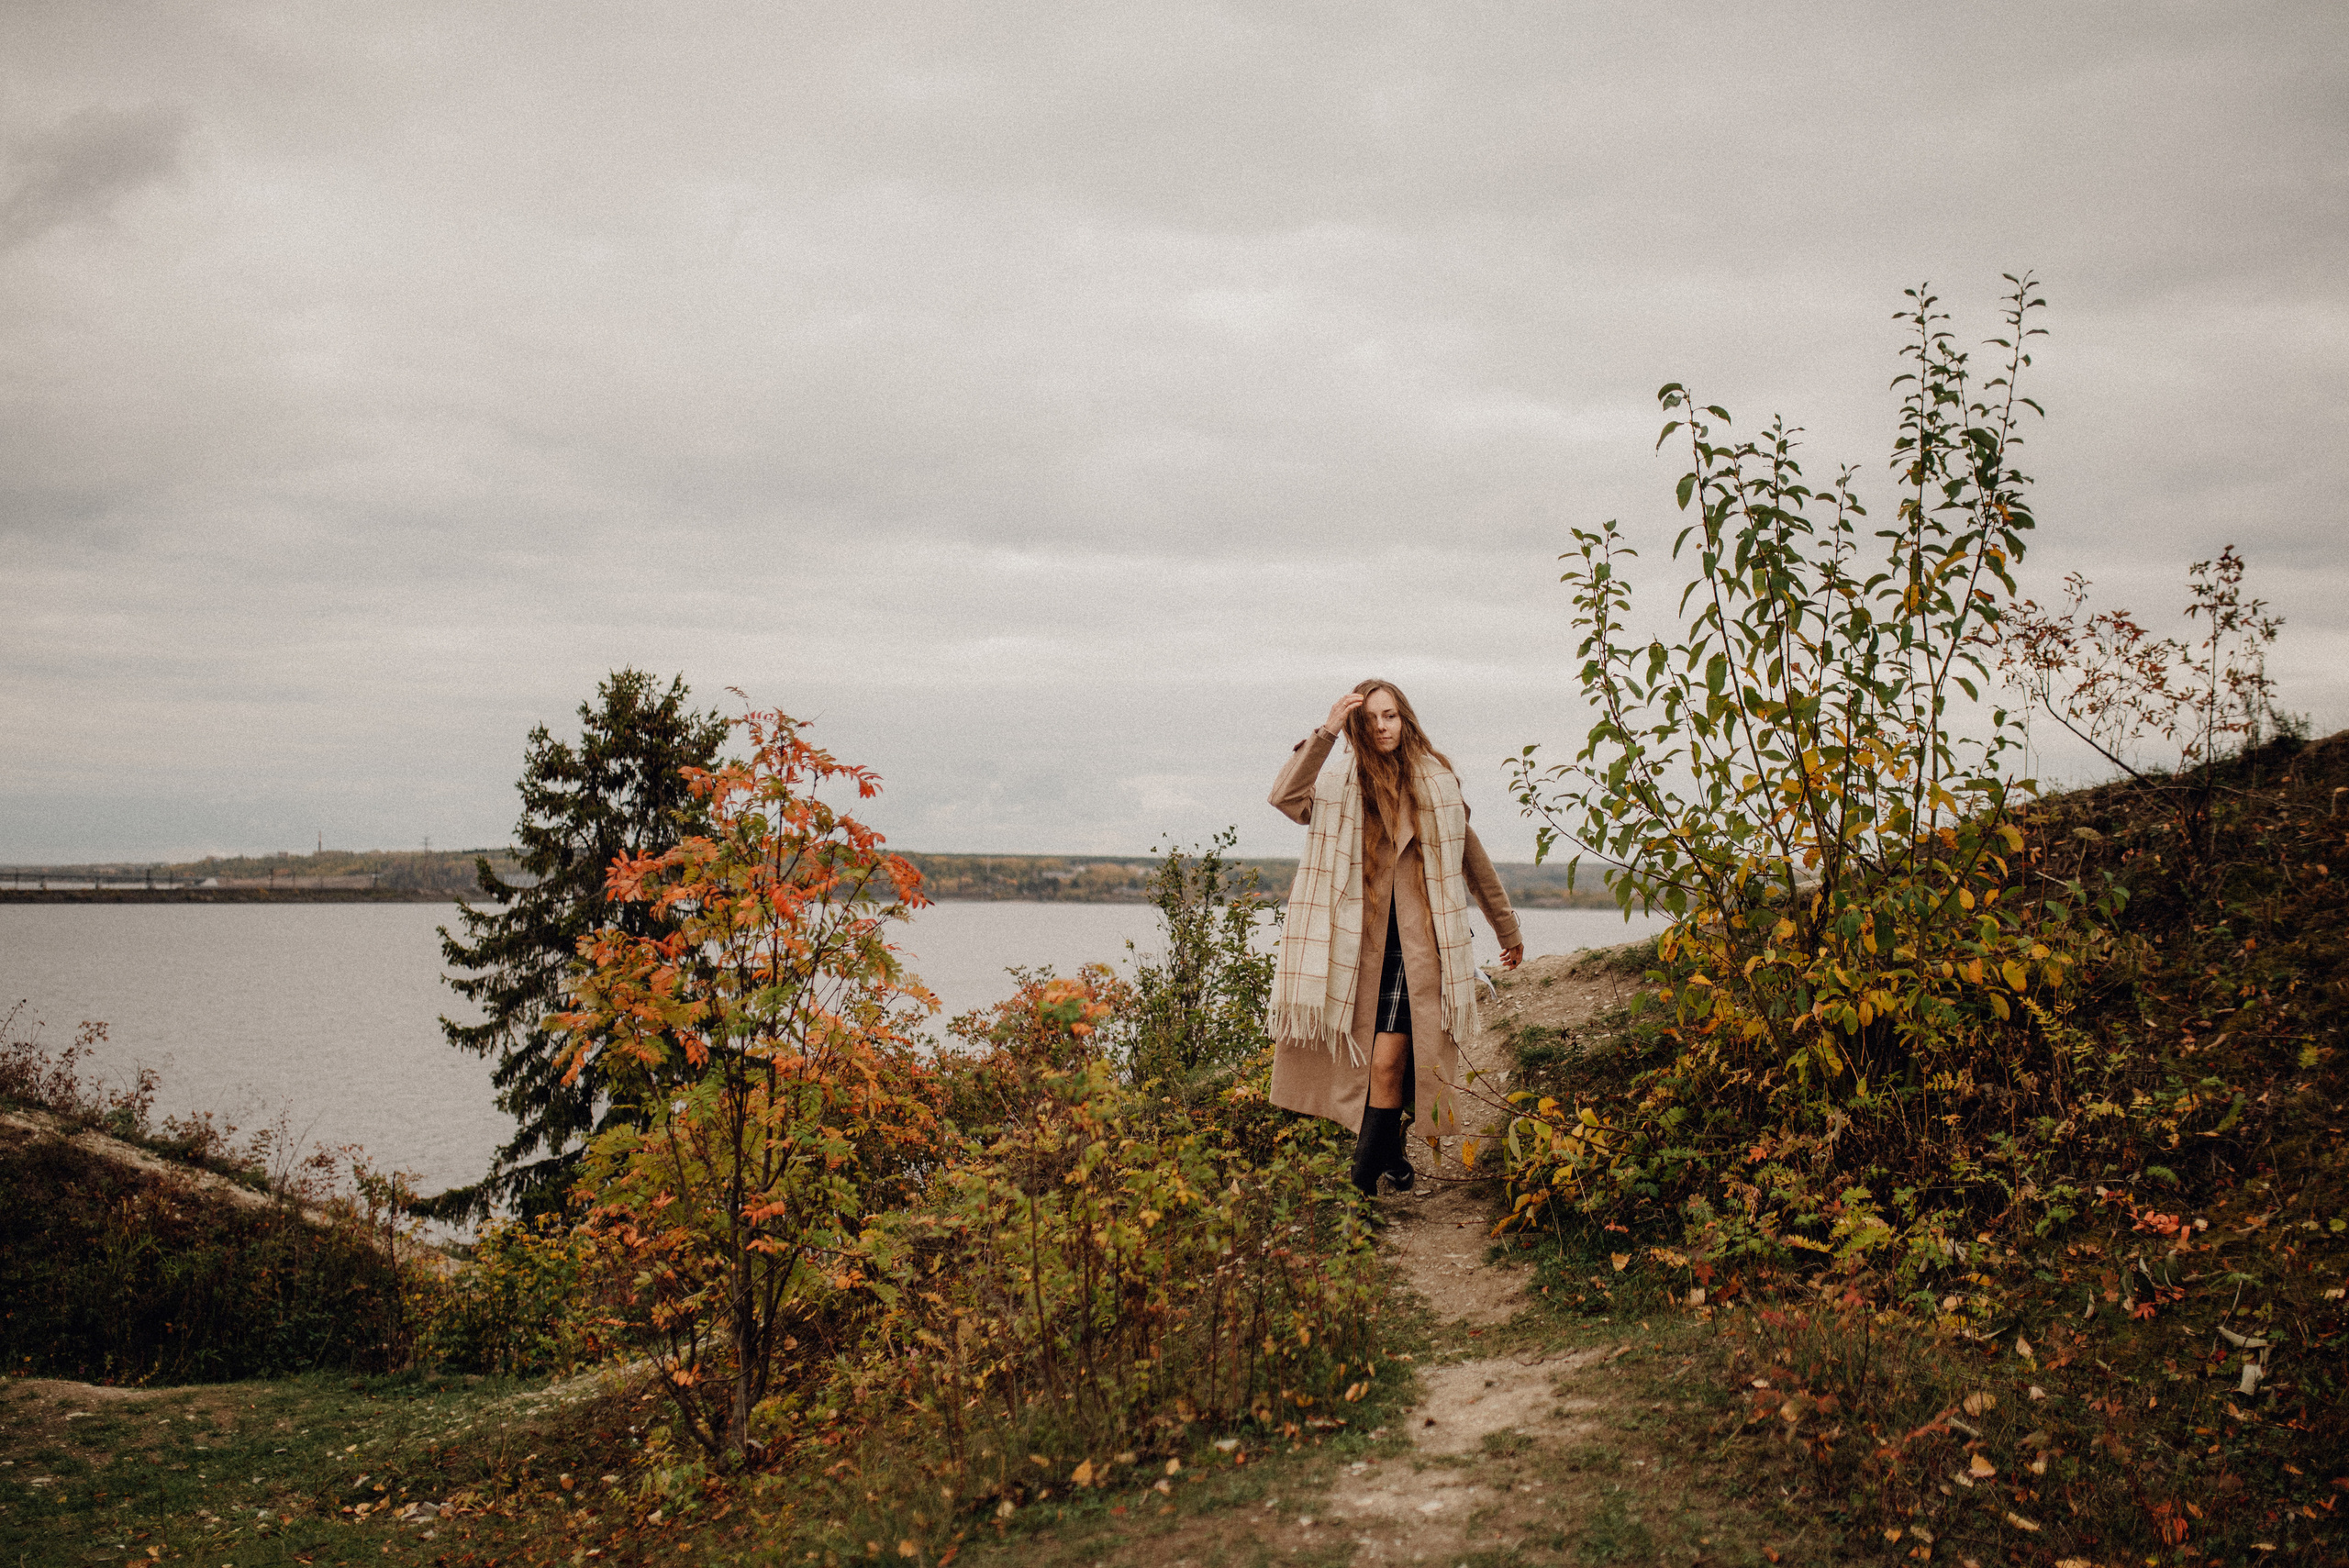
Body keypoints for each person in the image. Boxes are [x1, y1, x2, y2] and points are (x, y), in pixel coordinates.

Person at [1266, 680, 1524, 1196]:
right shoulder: (1342, 784)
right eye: (1370, 721)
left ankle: (1357, 1193)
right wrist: (1327, 731)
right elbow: (1286, 797)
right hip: (1358, 946)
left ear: (1405, 719)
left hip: (1421, 947)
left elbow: (1472, 858)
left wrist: (1506, 927)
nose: (1382, 727)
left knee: (1386, 1062)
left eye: (1390, 716)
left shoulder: (1437, 782)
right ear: (1358, 731)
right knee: (1370, 1065)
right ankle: (1393, 1151)